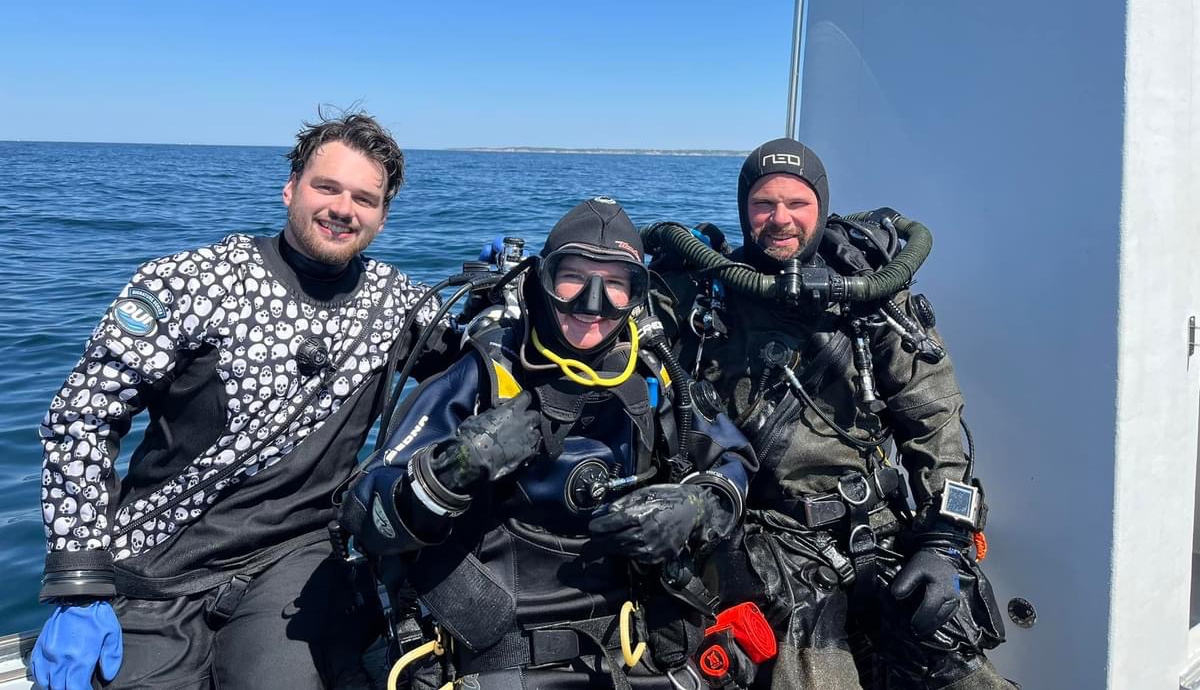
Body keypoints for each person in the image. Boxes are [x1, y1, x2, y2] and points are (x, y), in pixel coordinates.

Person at [32, 112, 451, 690]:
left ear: (382, 216)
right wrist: (78, 578)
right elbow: (82, 415)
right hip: (158, 563)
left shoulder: (399, 303)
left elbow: (490, 360)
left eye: (365, 198)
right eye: (326, 187)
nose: (342, 209)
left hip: (297, 562)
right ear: (290, 188)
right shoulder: (190, 282)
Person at [338, 197, 759, 689]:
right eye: (574, 277)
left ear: (636, 296)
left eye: (616, 285)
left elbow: (734, 460)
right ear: (542, 279)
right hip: (495, 649)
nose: (592, 304)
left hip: (629, 642)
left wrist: (696, 506)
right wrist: (456, 467)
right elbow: (364, 516)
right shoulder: (486, 374)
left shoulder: (652, 377)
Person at [645, 138, 1013, 689]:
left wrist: (946, 542)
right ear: (745, 211)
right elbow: (611, 327)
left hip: (880, 528)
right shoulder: (710, 297)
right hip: (773, 539)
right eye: (764, 204)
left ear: (821, 207)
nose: (780, 219)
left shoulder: (872, 297)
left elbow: (936, 424)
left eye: (798, 203)